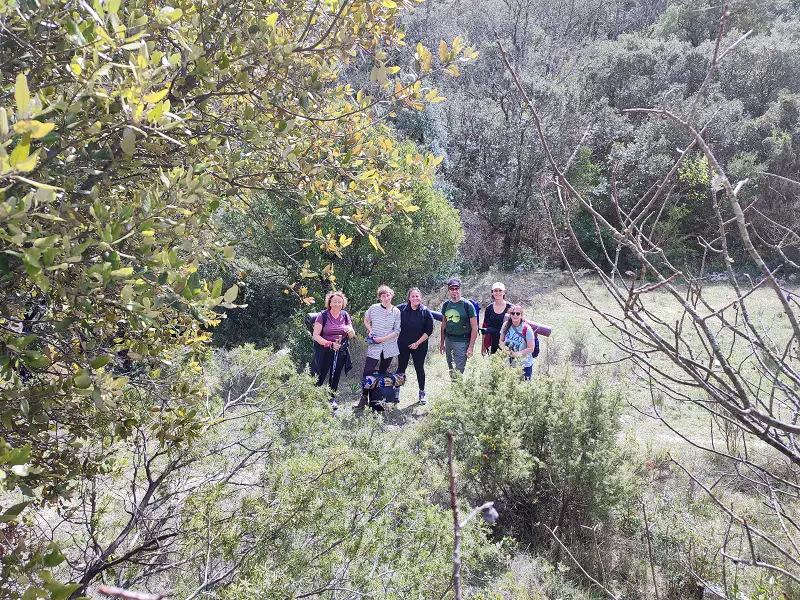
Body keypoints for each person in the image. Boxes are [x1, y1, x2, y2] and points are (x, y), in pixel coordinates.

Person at [358, 285, 401, 408]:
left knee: (382, 372)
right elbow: (366, 320)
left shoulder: (396, 311)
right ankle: (364, 397)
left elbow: (397, 331)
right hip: (375, 345)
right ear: (380, 297)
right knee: (368, 371)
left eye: (388, 295)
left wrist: (383, 339)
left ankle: (379, 399)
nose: (386, 298)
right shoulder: (374, 308)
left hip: (389, 345)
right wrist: (370, 330)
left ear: (392, 295)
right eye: (383, 295)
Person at [311, 291, 356, 409]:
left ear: (343, 303)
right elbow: (315, 335)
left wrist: (349, 330)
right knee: (320, 374)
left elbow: (351, 335)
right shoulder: (323, 316)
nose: (337, 304)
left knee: (335, 375)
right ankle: (314, 398)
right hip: (324, 350)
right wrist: (330, 344)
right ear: (330, 303)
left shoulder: (345, 315)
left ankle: (331, 398)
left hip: (340, 351)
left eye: (339, 302)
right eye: (334, 301)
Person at [396, 287, 434, 405]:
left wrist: (417, 343)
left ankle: (422, 392)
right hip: (403, 344)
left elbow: (429, 331)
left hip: (420, 345)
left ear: (420, 298)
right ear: (409, 298)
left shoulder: (425, 311)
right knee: (401, 368)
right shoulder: (401, 309)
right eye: (413, 296)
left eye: (417, 296)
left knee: (419, 368)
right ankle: (396, 391)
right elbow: (388, 312)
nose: (415, 298)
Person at [439, 277, 477, 377]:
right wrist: (442, 343)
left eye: (456, 288)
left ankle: (457, 390)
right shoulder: (446, 305)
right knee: (451, 368)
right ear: (448, 291)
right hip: (449, 340)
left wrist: (471, 347)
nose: (454, 291)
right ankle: (455, 389)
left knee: (458, 370)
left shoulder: (467, 305)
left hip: (462, 342)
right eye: (452, 289)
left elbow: (474, 328)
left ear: (460, 289)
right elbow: (443, 325)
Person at [499, 304, 536, 380]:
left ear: (521, 315)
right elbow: (501, 341)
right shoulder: (506, 325)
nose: (515, 315)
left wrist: (516, 354)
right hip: (510, 363)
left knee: (524, 388)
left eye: (518, 313)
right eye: (513, 313)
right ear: (510, 315)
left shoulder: (527, 329)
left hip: (524, 365)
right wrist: (506, 350)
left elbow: (531, 348)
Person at [481, 281, 511, 355]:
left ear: (504, 292)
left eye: (500, 290)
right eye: (495, 291)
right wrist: (483, 347)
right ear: (492, 293)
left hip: (508, 342)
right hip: (493, 342)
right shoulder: (489, 308)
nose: (498, 293)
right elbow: (485, 328)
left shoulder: (511, 308)